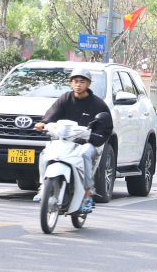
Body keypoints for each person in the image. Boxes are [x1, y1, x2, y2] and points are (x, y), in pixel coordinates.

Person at [33, 67, 113, 212]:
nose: (78, 84)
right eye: (75, 81)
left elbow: (105, 127)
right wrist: (43, 123)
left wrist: (92, 138)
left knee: (86, 155)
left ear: (88, 83)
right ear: (71, 83)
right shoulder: (65, 98)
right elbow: (52, 114)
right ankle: (43, 187)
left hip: (87, 143)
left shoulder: (98, 104)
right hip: (64, 140)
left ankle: (87, 195)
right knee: (46, 153)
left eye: (82, 81)